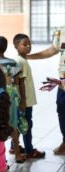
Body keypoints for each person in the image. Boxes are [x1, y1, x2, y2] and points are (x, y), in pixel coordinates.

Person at [27, 26, 65, 155]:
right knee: (62, 109)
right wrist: (27, 56)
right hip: (63, 80)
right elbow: (52, 50)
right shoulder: (61, 30)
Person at [0, 35, 26, 163]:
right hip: (12, 97)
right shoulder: (13, 63)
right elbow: (18, 83)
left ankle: (2, 158)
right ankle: (17, 154)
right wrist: (23, 100)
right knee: (13, 124)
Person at [13, 33, 46, 159]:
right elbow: (19, 83)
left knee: (19, 123)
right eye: (24, 44)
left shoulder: (20, 60)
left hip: (23, 101)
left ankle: (13, 147)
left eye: (29, 44)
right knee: (27, 125)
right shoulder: (21, 62)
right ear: (16, 46)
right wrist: (23, 102)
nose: (28, 47)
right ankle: (29, 150)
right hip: (25, 102)